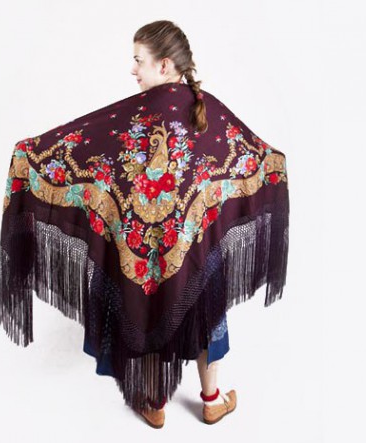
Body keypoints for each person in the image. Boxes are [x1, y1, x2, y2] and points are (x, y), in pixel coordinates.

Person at [130, 20, 238, 428]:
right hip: (200, 243)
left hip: (154, 244)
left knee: (156, 310)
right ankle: (211, 400)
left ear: (164, 65)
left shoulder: (139, 113)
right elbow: (236, 159)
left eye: (138, 60)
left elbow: (102, 153)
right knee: (207, 312)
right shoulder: (207, 106)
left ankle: (155, 403)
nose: (133, 69)